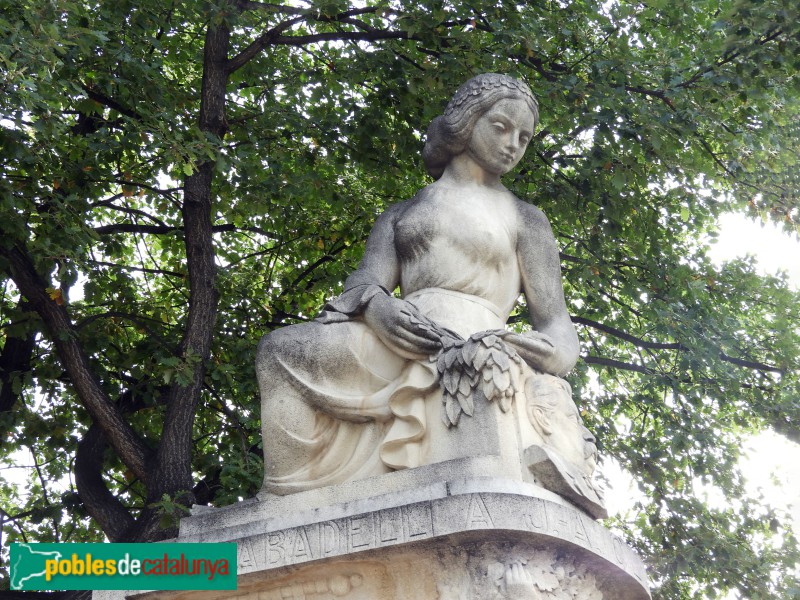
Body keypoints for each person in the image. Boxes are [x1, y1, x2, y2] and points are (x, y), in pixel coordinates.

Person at [256, 73, 580, 495]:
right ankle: (287, 496)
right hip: (398, 336)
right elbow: (366, 282)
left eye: (524, 137)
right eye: (501, 127)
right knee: (278, 350)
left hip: (471, 336)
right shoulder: (402, 212)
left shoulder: (525, 218)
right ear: (466, 121)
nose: (512, 145)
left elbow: (555, 322)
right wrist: (378, 308)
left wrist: (552, 352)